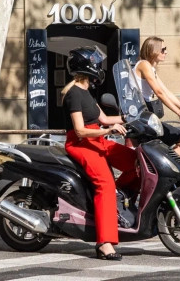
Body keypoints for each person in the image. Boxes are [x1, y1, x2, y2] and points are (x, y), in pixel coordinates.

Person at [61, 46, 139, 261]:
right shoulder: (73, 94)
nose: (98, 66)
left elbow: (104, 119)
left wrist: (135, 117)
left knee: (138, 163)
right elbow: (79, 130)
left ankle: (118, 199)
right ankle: (104, 243)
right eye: (95, 62)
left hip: (98, 139)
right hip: (81, 144)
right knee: (105, 185)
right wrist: (108, 131)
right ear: (86, 66)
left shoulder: (87, 92)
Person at [134, 37, 180, 157]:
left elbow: (166, 91)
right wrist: (178, 112)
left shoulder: (151, 68)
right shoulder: (144, 64)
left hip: (146, 115)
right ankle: (168, 171)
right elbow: (159, 92)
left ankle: (164, 170)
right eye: (163, 49)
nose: (166, 52)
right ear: (153, 50)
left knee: (179, 140)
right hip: (142, 116)